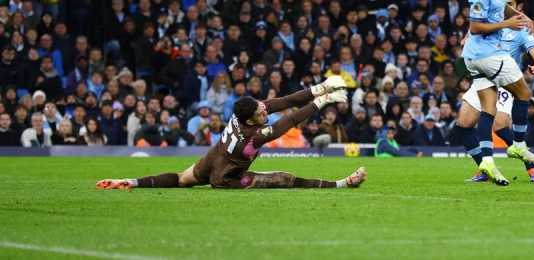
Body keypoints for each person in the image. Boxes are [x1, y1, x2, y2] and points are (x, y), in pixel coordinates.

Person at [96, 78, 367, 190]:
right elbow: (290, 119)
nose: (266, 110)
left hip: (211, 159)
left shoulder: (245, 114)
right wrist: (321, 102)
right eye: (262, 112)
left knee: (180, 179)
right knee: (284, 178)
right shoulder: (255, 134)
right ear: (252, 119)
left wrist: (320, 87)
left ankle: (131, 182)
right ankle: (343, 184)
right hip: (226, 177)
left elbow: (285, 101)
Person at [460, 0, 534, 185]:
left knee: (488, 110)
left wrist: (520, 16)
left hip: (475, 58)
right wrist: (507, 24)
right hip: (487, 55)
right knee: (524, 93)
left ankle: (488, 163)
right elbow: (475, 27)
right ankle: (518, 146)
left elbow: (501, 6)